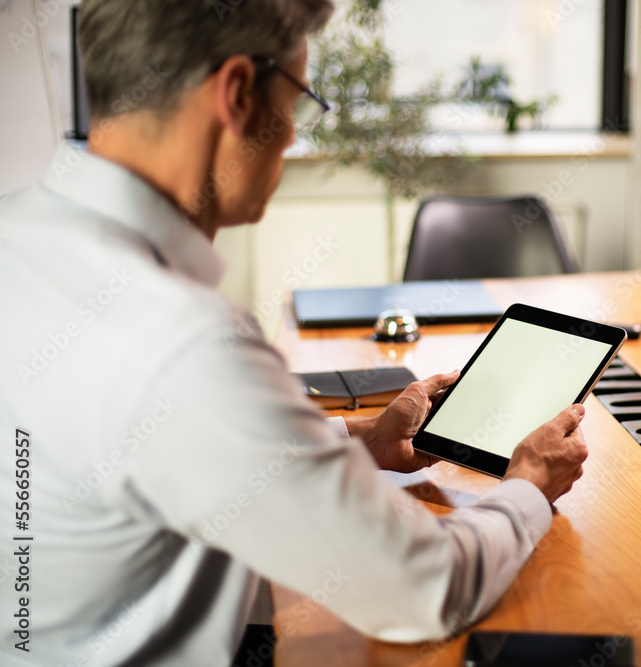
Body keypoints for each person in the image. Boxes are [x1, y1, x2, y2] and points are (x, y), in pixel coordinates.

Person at [0, 1, 588, 665]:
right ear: (238, 95)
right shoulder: (182, 343)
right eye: (300, 102)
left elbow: (175, 456)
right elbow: (423, 588)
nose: (292, 137)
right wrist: (529, 482)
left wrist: (360, 441)